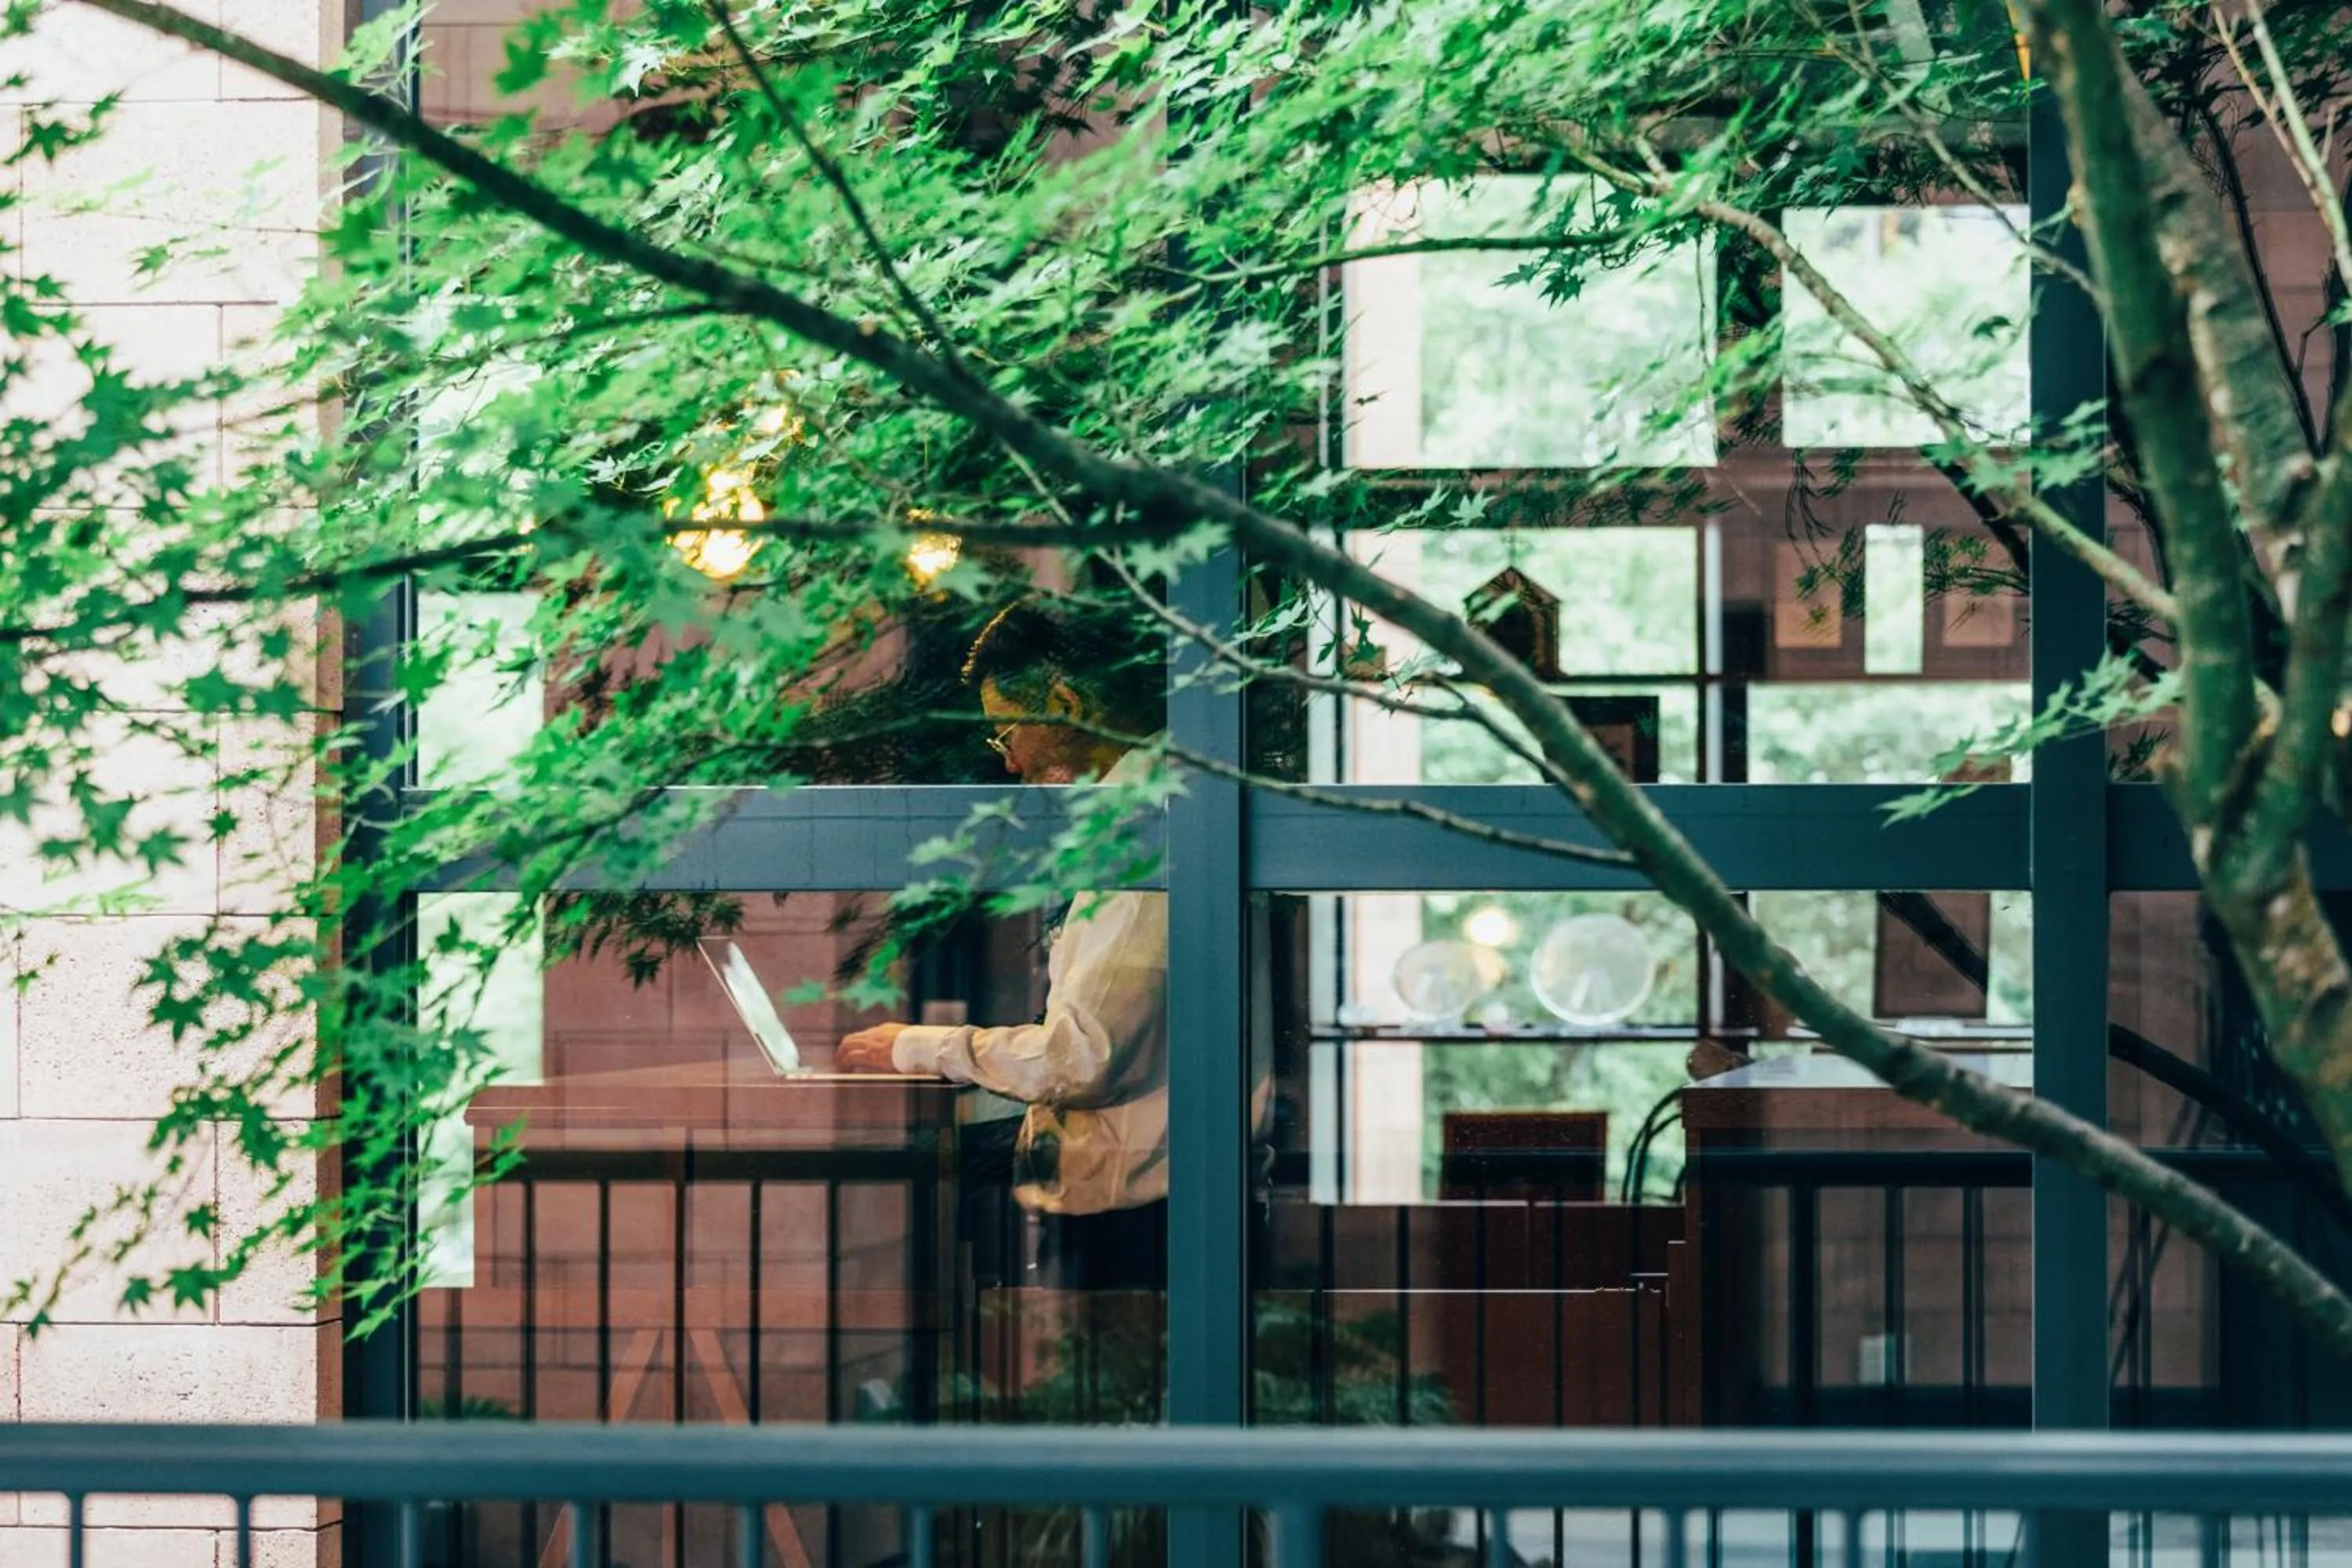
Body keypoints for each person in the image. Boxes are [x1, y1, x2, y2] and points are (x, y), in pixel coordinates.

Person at [837, 597, 1170, 1293]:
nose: (1012, 763)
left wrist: (917, 1046)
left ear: (1066, 702)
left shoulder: (1148, 829)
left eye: (1008, 731)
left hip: (1144, 1217)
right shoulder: (1147, 813)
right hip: (1141, 1196)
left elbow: (1081, 1058)